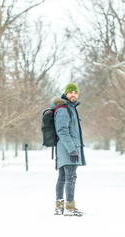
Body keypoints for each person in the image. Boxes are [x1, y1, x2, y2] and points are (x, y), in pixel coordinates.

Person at [51, 82, 86, 216]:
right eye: (71, 92)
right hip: (68, 148)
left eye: (75, 92)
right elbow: (62, 131)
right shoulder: (63, 109)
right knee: (70, 178)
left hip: (67, 147)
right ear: (66, 94)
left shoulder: (70, 108)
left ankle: (59, 207)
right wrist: (72, 150)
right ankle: (70, 207)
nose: (74, 95)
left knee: (63, 177)